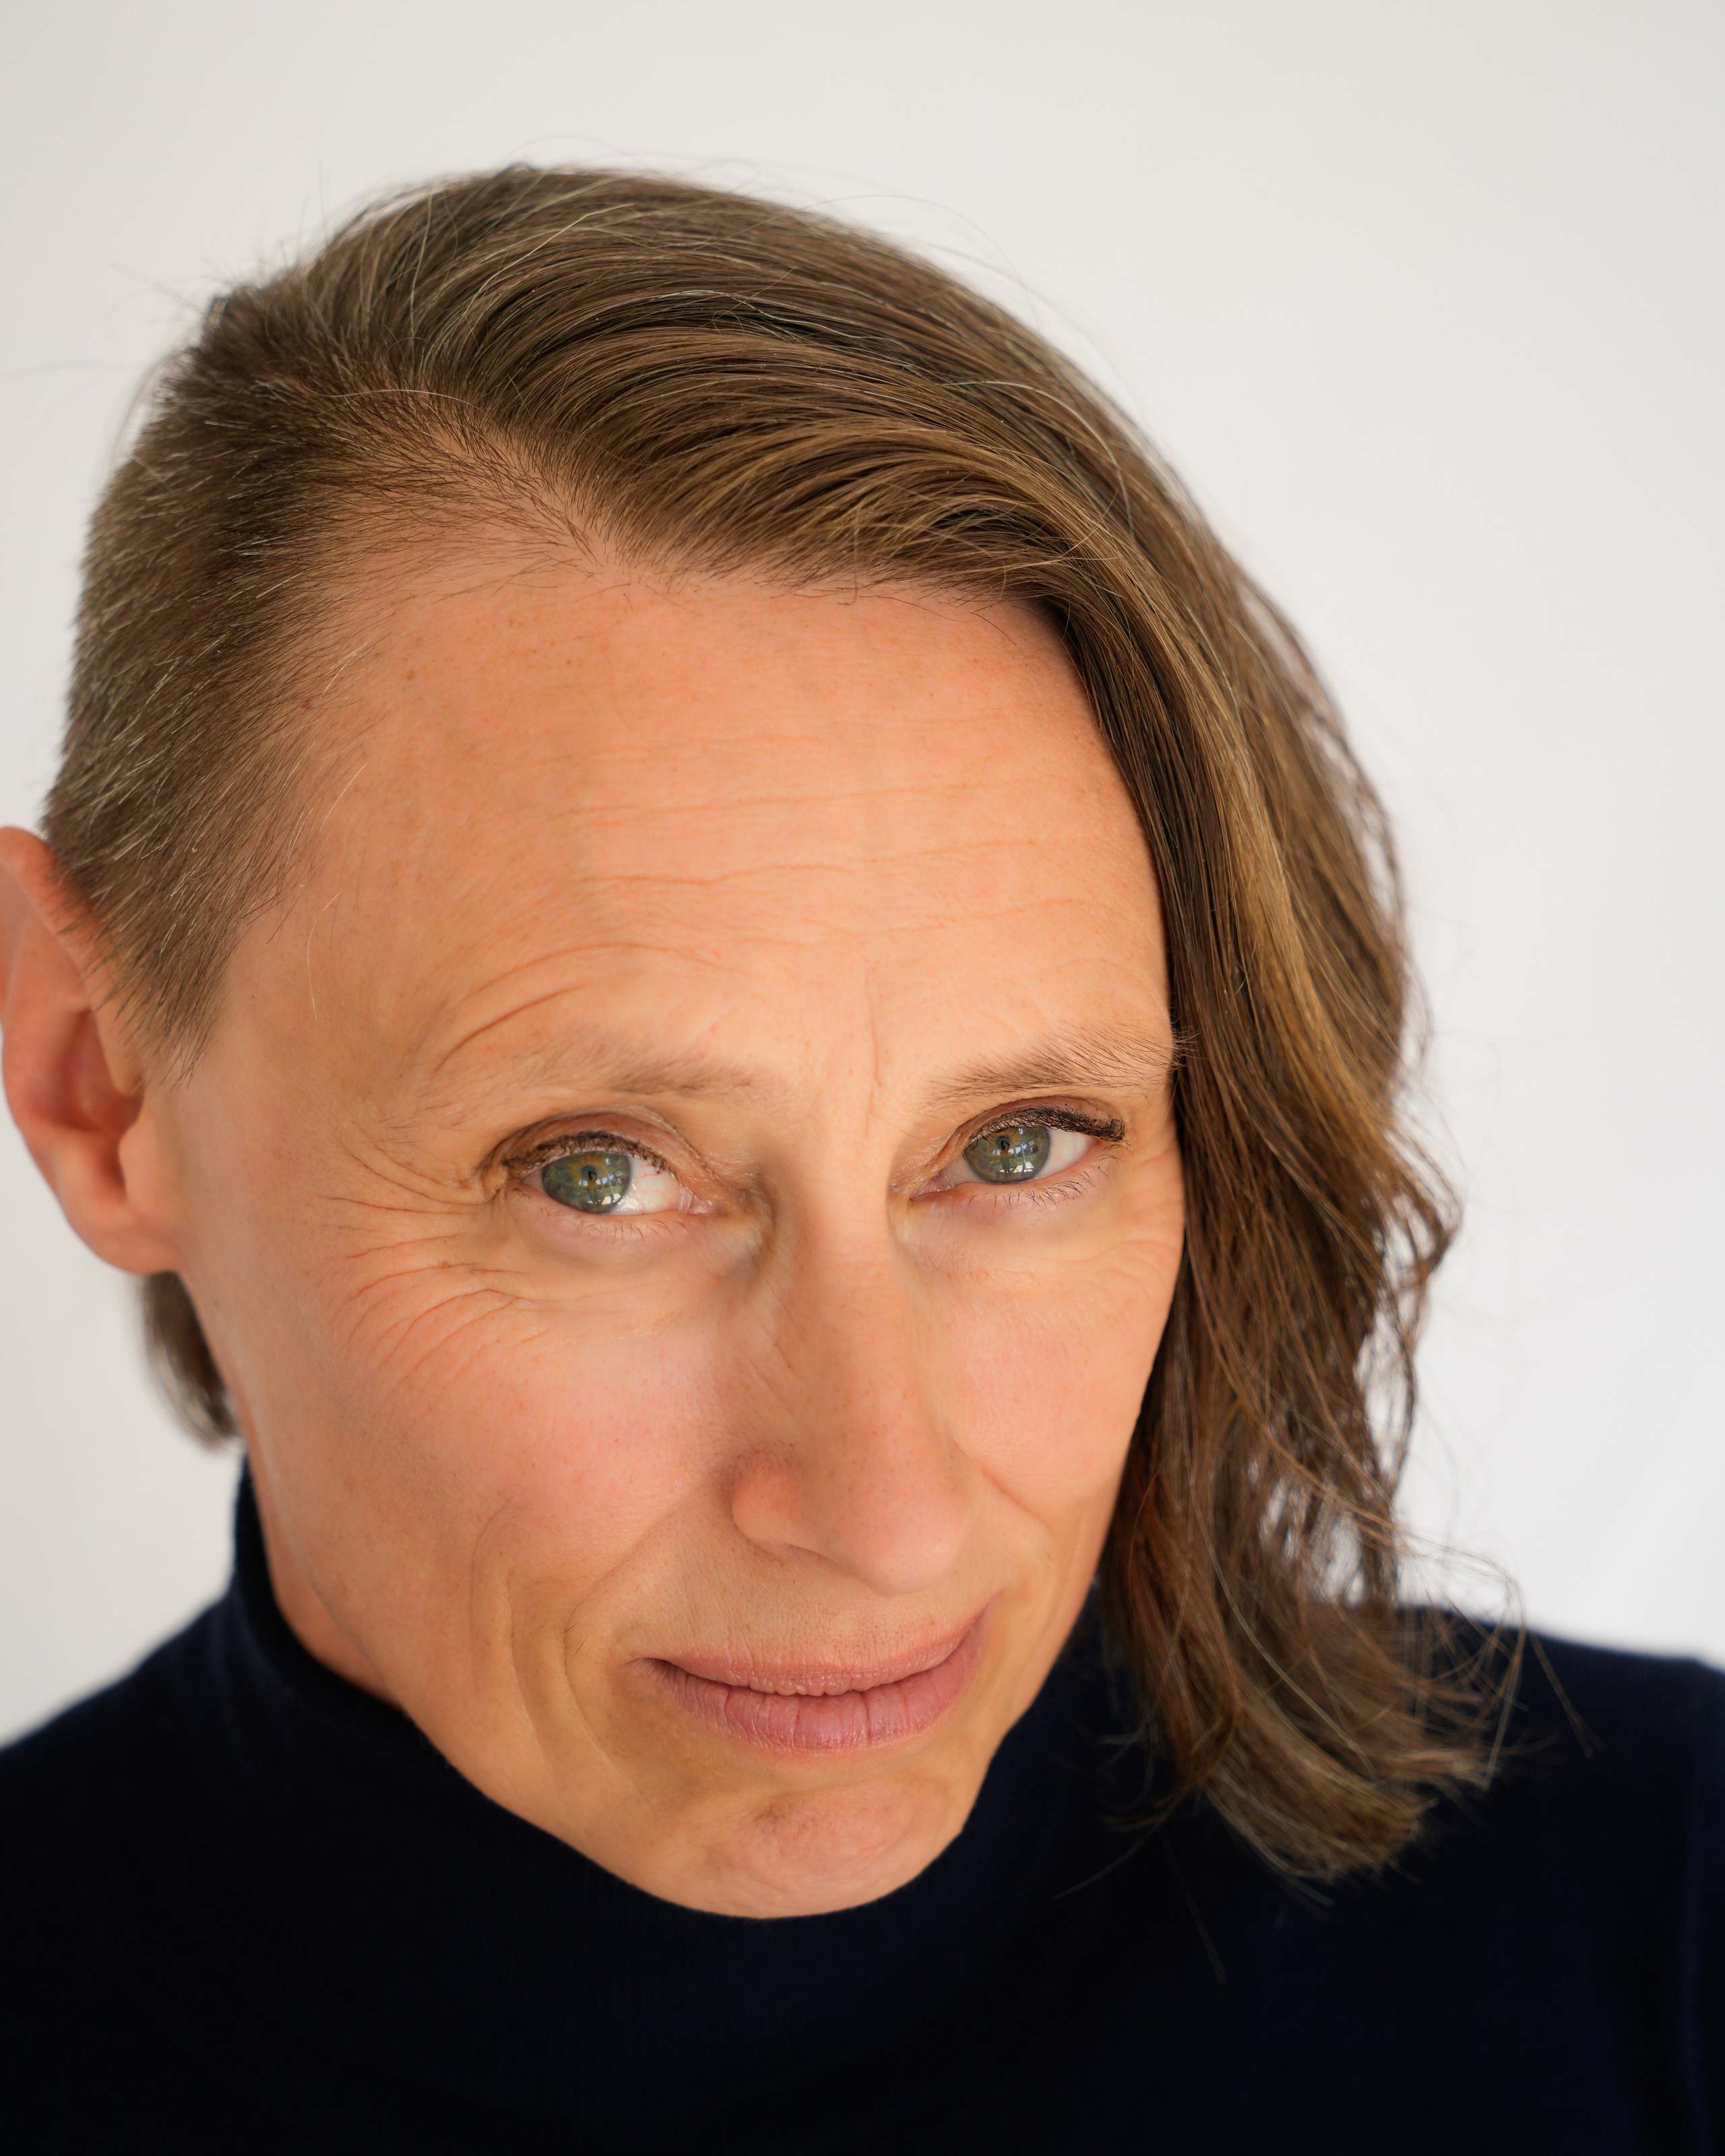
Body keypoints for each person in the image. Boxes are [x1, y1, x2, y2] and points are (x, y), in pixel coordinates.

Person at [0, 166, 1718, 2153]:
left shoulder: (1663, 1928)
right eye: (598, 1173)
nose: (888, 1515)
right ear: (96, 1081)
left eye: (1020, 1142)